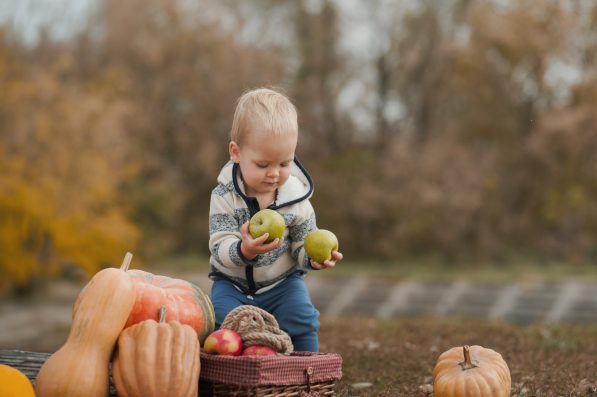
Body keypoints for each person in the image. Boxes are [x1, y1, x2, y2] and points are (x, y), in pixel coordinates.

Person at [208, 87, 343, 352]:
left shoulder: (296, 198)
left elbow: (304, 243)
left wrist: (313, 258)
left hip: (282, 285)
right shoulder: (224, 196)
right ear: (236, 153)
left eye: (284, 164)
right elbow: (219, 245)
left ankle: (306, 377)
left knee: (302, 318)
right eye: (262, 165)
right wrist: (243, 250)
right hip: (232, 285)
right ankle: (233, 380)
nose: (274, 174)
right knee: (223, 326)